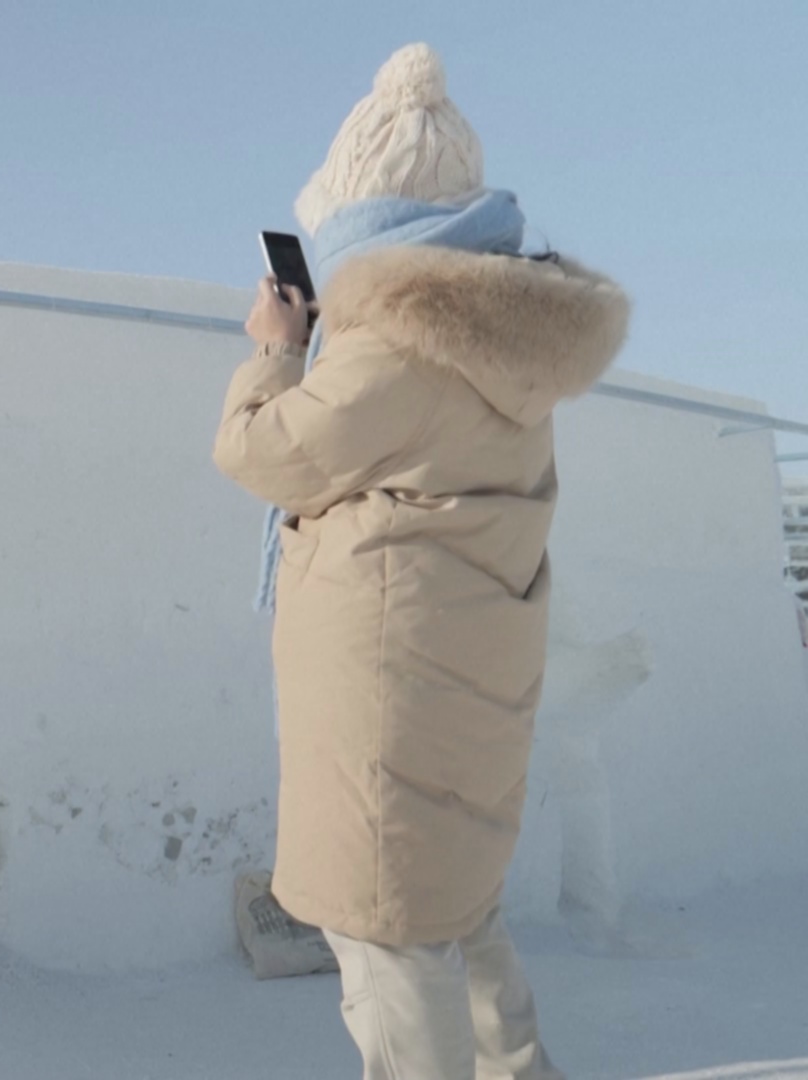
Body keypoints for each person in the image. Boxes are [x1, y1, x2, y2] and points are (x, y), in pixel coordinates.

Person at [212, 43, 630, 1079]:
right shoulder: (500, 343)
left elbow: (264, 453)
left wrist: (274, 347)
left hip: (391, 706)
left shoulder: (398, 343)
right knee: (460, 912)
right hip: (464, 693)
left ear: (370, 220)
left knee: (388, 943)